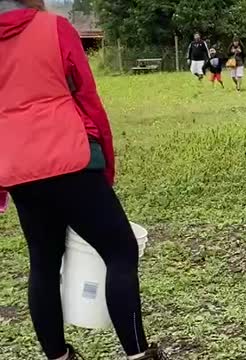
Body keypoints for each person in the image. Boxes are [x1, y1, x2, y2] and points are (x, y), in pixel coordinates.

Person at [0, 1, 169, 359]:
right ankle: (138, 354)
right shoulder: (54, 29)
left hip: (18, 167)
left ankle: (58, 357)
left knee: (43, 262)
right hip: (71, 157)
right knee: (119, 250)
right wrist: (105, 159)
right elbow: (87, 97)